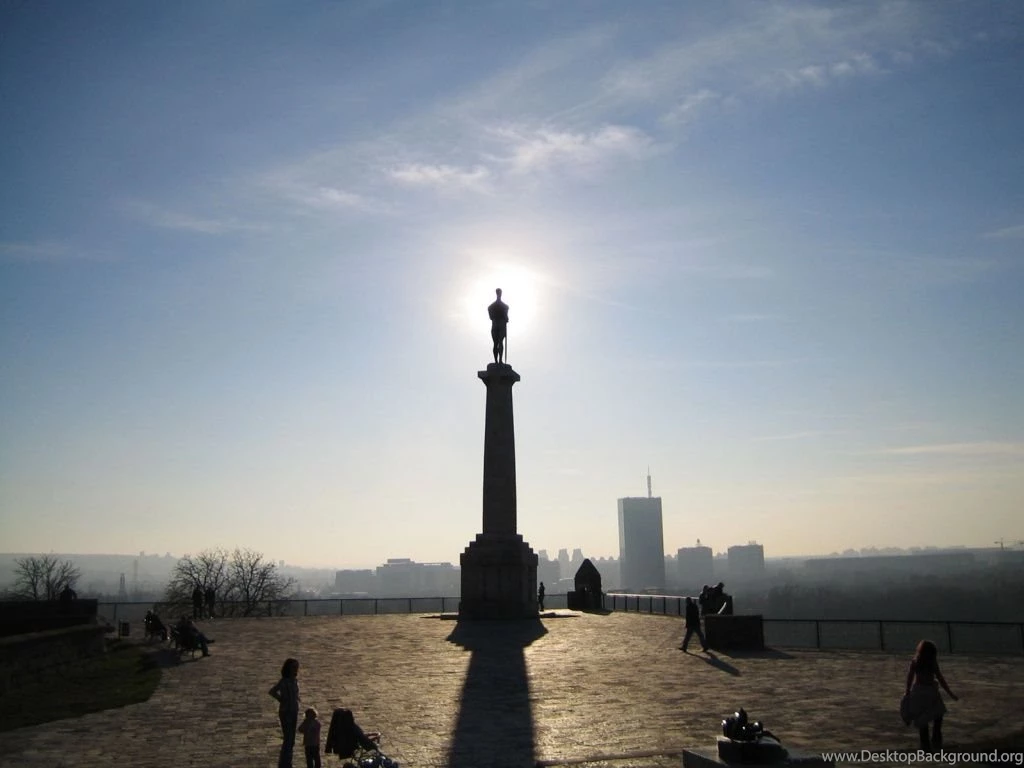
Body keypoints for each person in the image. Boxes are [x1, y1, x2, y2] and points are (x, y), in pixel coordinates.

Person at [904, 639, 958, 750]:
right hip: (931, 692)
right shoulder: (932, 663)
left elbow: (910, 677)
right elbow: (940, 679)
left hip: (918, 691)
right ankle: (936, 740)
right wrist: (950, 693)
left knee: (922, 719)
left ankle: (925, 745)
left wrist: (908, 691)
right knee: (938, 715)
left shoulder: (915, 661)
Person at [269, 658, 301, 768]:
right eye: (294, 667)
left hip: (294, 710)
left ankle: (287, 761)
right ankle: (285, 763)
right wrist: (281, 699)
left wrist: (297, 698)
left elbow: (295, 693)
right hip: (286, 711)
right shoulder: (284, 681)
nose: (296, 669)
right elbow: (272, 691)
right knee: (288, 738)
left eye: (297, 667)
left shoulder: (295, 680)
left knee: (291, 739)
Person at [488, 288, 509, 364]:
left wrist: (505, 318)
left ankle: (499, 360)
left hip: (499, 324)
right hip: (497, 324)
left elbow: (506, 317)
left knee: (499, 342)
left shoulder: (504, 306)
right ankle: (497, 361)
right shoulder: (502, 306)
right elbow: (491, 317)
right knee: (497, 343)